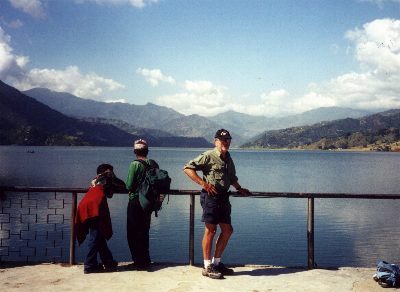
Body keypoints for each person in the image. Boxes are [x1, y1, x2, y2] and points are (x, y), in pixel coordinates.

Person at [183, 129, 250, 279]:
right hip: (211, 197)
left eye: (228, 140)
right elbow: (187, 168)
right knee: (210, 230)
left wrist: (239, 188)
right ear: (216, 141)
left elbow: (231, 177)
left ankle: (217, 263)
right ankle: (207, 266)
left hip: (224, 198)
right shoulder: (209, 155)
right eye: (222, 140)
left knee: (228, 230)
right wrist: (203, 184)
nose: (226, 142)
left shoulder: (228, 157)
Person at [75, 164, 126, 274]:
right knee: (95, 237)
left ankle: (108, 261)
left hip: (85, 205)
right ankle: (89, 265)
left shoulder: (95, 179)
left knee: (99, 235)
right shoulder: (107, 178)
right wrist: (112, 176)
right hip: (95, 207)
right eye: (111, 171)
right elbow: (123, 185)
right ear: (107, 172)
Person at [126, 139, 159, 270]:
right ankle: (146, 259)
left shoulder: (135, 165)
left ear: (135, 151)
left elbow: (129, 185)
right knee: (144, 231)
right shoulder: (153, 163)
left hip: (135, 201)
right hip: (149, 202)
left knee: (132, 232)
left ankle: (138, 262)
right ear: (147, 151)